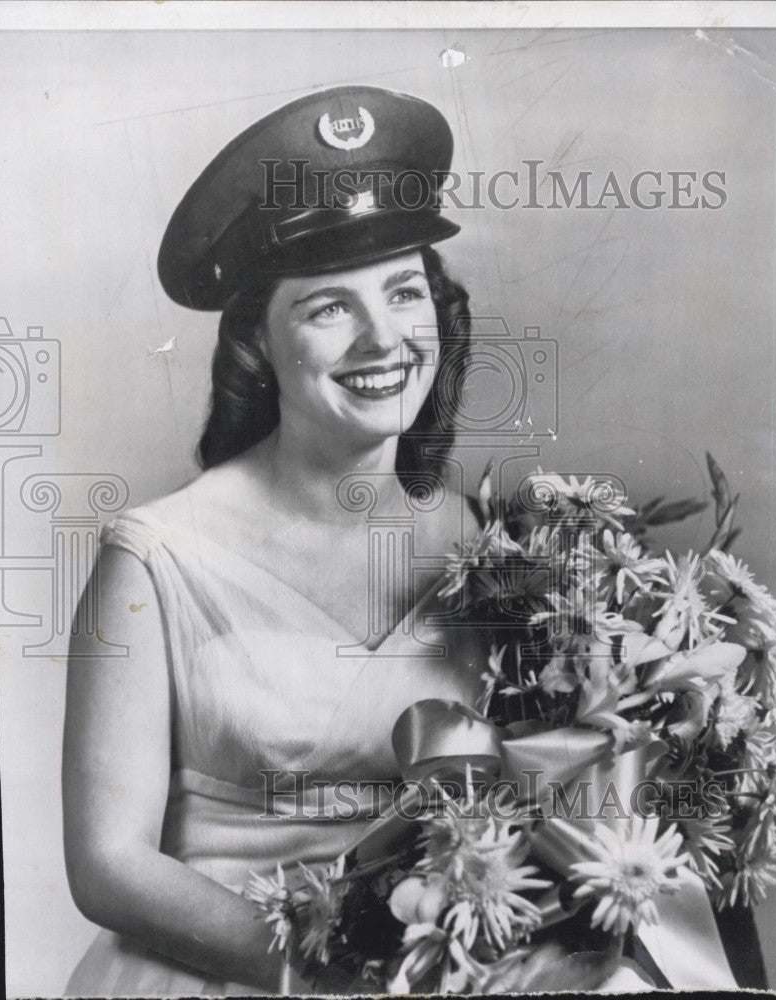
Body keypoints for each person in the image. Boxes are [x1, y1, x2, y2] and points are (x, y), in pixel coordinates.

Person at [62, 85, 485, 995]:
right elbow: (105, 862)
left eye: (404, 290)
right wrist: (335, 969)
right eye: (329, 306)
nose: (384, 339)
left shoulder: (482, 541)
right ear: (258, 337)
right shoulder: (153, 557)